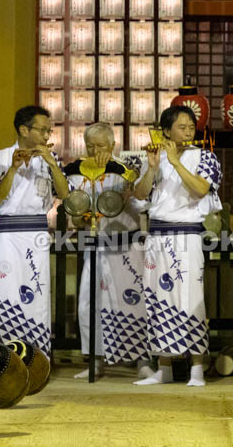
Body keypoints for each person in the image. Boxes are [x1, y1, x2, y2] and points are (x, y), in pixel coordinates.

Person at [132, 106, 221, 388]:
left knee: (190, 298)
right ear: (166, 130)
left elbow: (201, 190)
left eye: (191, 126)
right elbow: (139, 195)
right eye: (181, 127)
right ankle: (164, 368)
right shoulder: (154, 156)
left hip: (187, 235)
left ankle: (197, 369)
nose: (187, 131)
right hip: (157, 234)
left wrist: (176, 162)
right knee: (157, 299)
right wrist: (154, 168)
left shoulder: (204, 156)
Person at [63, 123, 151, 380]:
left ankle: (142, 361)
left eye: (100, 145)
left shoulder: (124, 171)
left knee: (133, 301)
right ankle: (96, 360)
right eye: (90, 145)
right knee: (91, 303)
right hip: (96, 244)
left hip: (126, 244)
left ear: (112, 146)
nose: (95, 150)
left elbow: (141, 203)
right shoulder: (78, 173)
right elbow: (75, 218)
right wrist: (81, 218)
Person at [0, 105, 70, 356]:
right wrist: (12, 168)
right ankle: (11, 359)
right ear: (23, 129)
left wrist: (52, 163)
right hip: (8, 234)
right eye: (42, 130)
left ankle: (38, 358)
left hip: (37, 233)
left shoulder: (49, 160)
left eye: (48, 131)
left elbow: (64, 195)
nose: (46, 136)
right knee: (7, 295)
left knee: (38, 294)